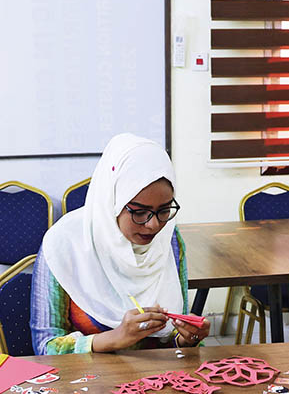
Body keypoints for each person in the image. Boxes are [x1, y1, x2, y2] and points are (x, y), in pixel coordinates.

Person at [31, 133, 211, 354]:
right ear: (113, 202)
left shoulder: (169, 239)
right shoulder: (64, 243)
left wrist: (187, 338)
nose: (154, 225)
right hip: (87, 375)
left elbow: (171, 339)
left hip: (156, 373)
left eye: (164, 210)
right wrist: (115, 338)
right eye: (139, 212)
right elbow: (45, 346)